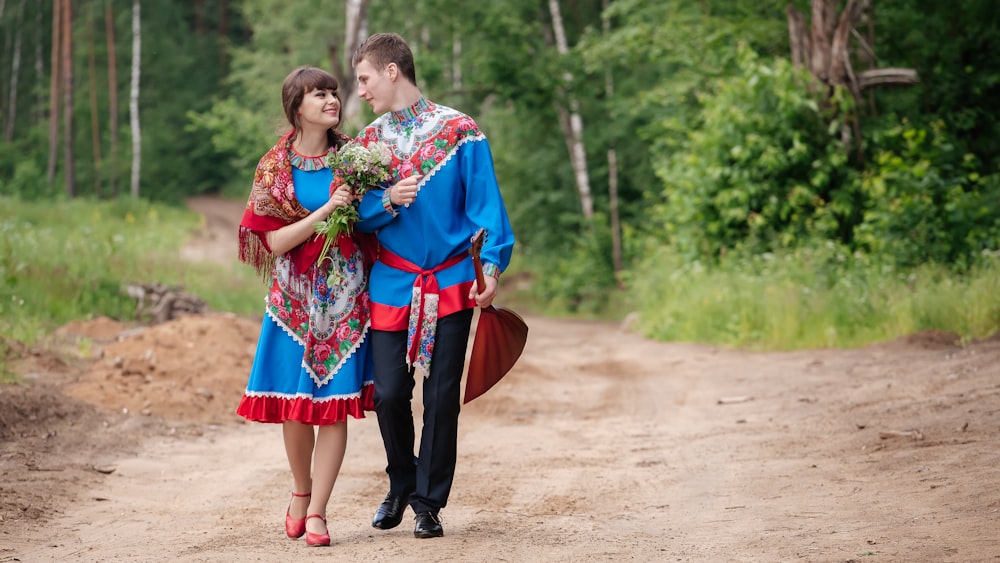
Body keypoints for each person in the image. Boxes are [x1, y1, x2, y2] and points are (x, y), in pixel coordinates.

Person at [351, 33, 515, 539]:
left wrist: (491, 269)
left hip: (451, 281)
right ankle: (401, 481)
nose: (359, 91)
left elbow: (487, 207)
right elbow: (353, 216)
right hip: (392, 281)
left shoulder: (461, 132)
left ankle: (428, 502)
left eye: (364, 78)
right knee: (390, 394)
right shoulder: (368, 144)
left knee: (441, 395)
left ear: (392, 71)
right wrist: (387, 202)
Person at [235, 66, 374, 548]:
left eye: (334, 93)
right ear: (297, 107)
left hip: (344, 296)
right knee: (297, 406)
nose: (332, 100)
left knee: (332, 407)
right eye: (320, 94)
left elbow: (374, 218)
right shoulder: (274, 166)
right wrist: (325, 213)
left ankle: (318, 514)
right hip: (294, 297)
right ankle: (300, 491)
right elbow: (272, 242)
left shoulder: (354, 158)